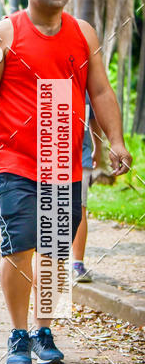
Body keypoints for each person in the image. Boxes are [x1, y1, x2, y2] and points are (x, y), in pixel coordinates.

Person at [0, 0, 132, 364]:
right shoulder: (4, 34)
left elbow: (101, 91)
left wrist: (115, 140)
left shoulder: (84, 33)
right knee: (19, 249)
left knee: (56, 251)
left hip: (63, 160)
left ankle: (44, 329)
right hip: (14, 160)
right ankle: (18, 333)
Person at [72, 97, 103, 283]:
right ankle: (76, 264)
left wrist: (97, 148)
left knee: (79, 209)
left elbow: (93, 118)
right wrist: (98, 148)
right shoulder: (83, 83)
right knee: (79, 209)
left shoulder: (84, 87)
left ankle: (76, 263)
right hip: (76, 157)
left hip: (78, 158)